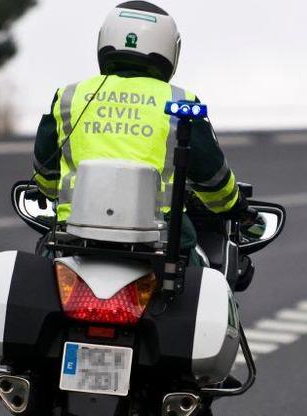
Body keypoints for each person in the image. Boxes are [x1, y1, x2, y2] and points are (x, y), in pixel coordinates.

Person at [30, 1, 262, 262]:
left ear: (104, 40)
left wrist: (51, 192)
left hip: (72, 235)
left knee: (42, 263)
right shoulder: (181, 102)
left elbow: (45, 170)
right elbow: (213, 177)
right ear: (170, 50)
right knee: (205, 277)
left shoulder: (69, 97)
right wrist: (234, 206)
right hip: (162, 241)